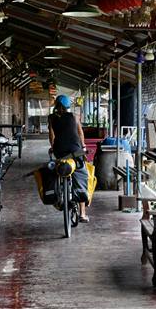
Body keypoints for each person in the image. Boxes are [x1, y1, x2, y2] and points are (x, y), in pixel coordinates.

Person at [48, 95, 90, 223]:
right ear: (68, 106)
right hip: (75, 152)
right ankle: (82, 214)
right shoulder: (74, 117)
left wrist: (53, 147)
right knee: (82, 175)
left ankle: (58, 197)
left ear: (56, 105)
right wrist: (83, 146)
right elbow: (80, 133)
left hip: (60, 152)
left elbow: (51, 136)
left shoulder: (51, 118)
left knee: (57, 170)